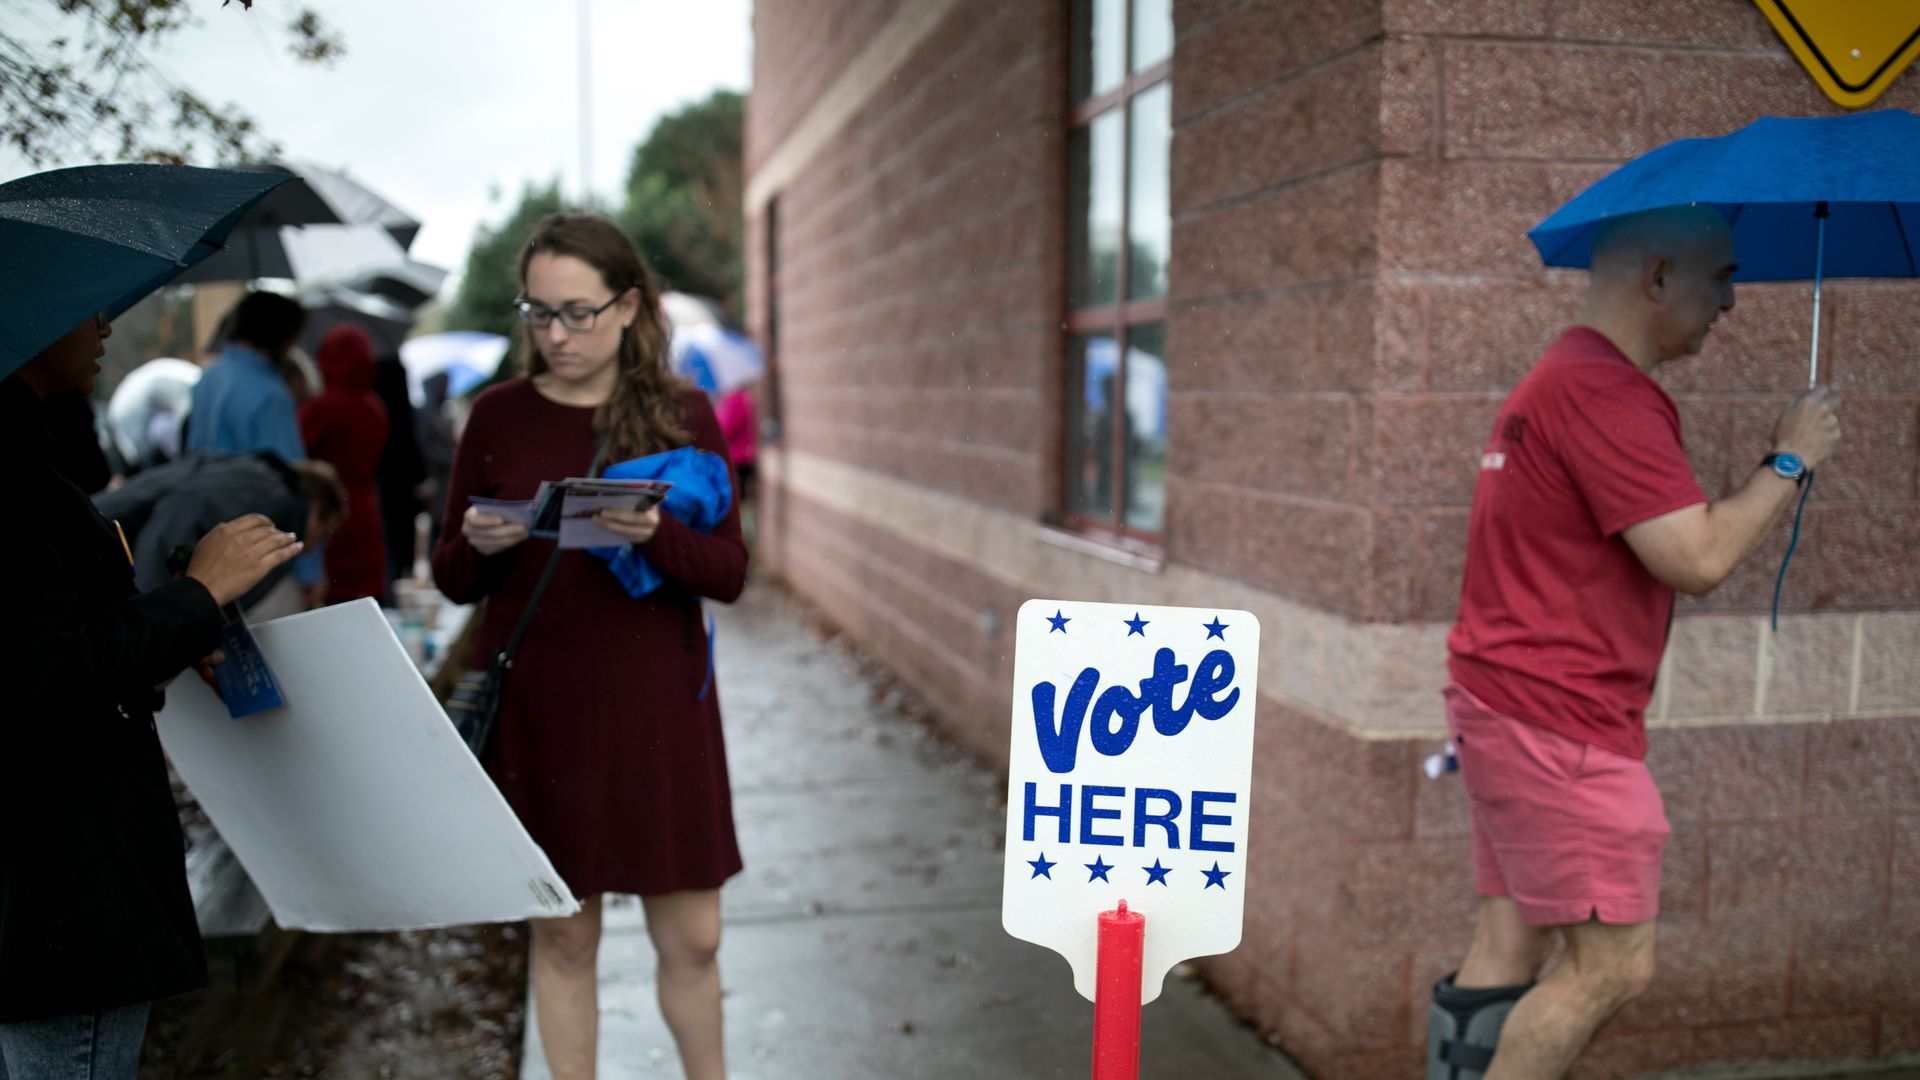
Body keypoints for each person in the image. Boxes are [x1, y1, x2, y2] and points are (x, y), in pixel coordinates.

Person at [1428, 205, 1842, 1080]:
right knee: (1611, 968)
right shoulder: (1604, 393)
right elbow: (1696, 556)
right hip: (1558, 724)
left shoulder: (1565, 376)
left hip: (1507, 705)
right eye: (1721, 275)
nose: (1731, 301)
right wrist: (1790, 459)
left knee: (1509, 944)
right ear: (1657, 277)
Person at [431, 214, 746, 1080]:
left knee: (695, 940)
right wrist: (481, 549)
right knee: (565, 940)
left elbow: (728, 573)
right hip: (544, 715)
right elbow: (451, 573)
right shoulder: (497, 415)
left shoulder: (683, 415)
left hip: (659, 715)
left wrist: (652, 537)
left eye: (578, 312)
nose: (556, 336)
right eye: (539, 313)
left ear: (629, 306)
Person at [0, 311, 304, 1078]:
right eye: (81, 307)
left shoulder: (35, 451)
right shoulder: (8, 474)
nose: (104, 322)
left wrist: (170, 636)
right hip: (58, 877)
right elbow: (50, 671)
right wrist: (198, 594)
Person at [92, 451, 347, 622]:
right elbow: (181, 510)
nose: (313, 548)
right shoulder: (270, 490)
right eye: (323, 536)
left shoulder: (251, 472)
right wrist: (153, 613)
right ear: (316, 510)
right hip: (103, 548)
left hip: (102, 531)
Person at [299, 325, 391, 605]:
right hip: (365, 509)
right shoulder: (375, 407)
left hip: (331, 515)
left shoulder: (322, 407)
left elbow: (300, 453)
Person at [185, 290, 307, 461]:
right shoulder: (270, 395)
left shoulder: (207, 378)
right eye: (291, 342)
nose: (290, 352)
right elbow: (286, 473)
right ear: (278, 337)